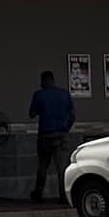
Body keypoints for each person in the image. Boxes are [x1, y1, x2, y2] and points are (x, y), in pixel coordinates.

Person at [28, 65, 75, 205]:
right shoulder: (65, 94)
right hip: (61, 134)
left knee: (43, 166)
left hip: (45, 134)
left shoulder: (39, 95)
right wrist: (66, 128)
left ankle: (38, 194)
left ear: (44, 81)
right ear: (54, 80)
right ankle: (64, 196)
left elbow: (31, 114)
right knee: (62, 168)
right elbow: (72, 116)